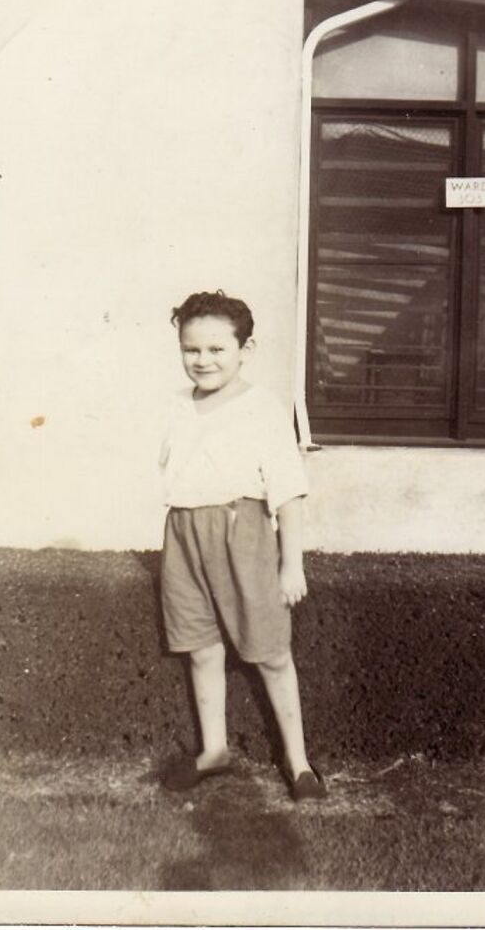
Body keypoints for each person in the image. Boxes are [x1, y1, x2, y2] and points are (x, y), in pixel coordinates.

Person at [158, 289, 326, 801]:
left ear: (244, 351)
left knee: (271, 652)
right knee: (201, 650)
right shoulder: (177, 407)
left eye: (216, 350)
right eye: (192, 350)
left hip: (243, 532)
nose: (202, 360)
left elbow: (289, 492)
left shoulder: (263, 408)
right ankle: (215, 750)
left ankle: (298, 763)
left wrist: (290, 565)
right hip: (183, 535)